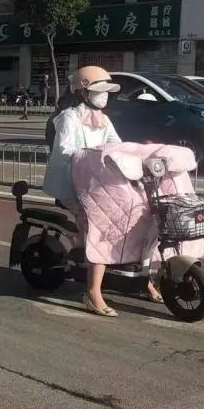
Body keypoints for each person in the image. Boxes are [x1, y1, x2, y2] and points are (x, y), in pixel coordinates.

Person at [43, 65, 162, 317]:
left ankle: (143, 279)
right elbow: (64, 151)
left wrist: (138, 151)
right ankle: (93, 292)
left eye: (107, 91)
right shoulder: (69, 117)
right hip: (73, 185)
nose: (104, 95)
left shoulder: (103, 119)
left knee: (141, 213)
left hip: (99, 185)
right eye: (100, 91)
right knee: (101, 225)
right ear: (82, 92)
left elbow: (117, 146)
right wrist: (95, 157)